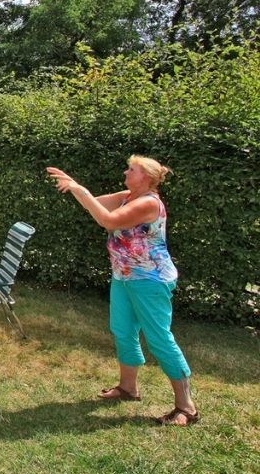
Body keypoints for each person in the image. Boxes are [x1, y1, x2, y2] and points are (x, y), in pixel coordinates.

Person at [47, 157, 198, 426]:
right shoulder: (129, 196)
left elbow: (107, 220)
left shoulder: (149, 202)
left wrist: (78, 188)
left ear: (147, 178)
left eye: (132, 170)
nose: (126, 172)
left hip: (151, 281)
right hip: (124, 277)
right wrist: (75, 186)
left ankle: (186, 407)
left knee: (159, 338)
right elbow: (96, 203)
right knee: (123, 331)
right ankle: (128, 388)